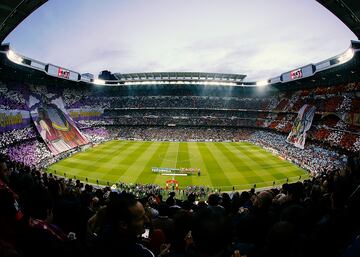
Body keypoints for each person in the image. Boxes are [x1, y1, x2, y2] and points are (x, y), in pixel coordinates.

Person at [93, 192, 154, 257]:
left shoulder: (100, 235)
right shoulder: (144, 254)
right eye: (141, 217)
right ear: (123, 225)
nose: (147, 220)